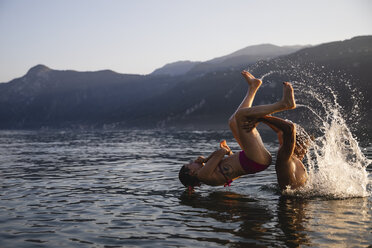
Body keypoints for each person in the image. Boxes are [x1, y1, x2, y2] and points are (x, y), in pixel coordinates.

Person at [178, 71, 296, 189]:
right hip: (255, 160)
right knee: (241, 116)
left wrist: (228, 152)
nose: (192, 162)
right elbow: (221, 152)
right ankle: (284, 104)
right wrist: (206, 158)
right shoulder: (202, 175)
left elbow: (233, 165)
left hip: (254, 159)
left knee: (233, 122)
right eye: (190, 164)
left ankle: (253, 87)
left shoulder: (207, 176)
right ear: (191, 172)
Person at [254, 116, 311, 190]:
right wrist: (261, 117)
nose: (306, 151)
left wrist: (265, 118)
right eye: (304, 147)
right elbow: (289, 128)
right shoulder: (285, 158)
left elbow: (280, 131)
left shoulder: (295, 159)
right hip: (290, 200)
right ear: (296, 145)